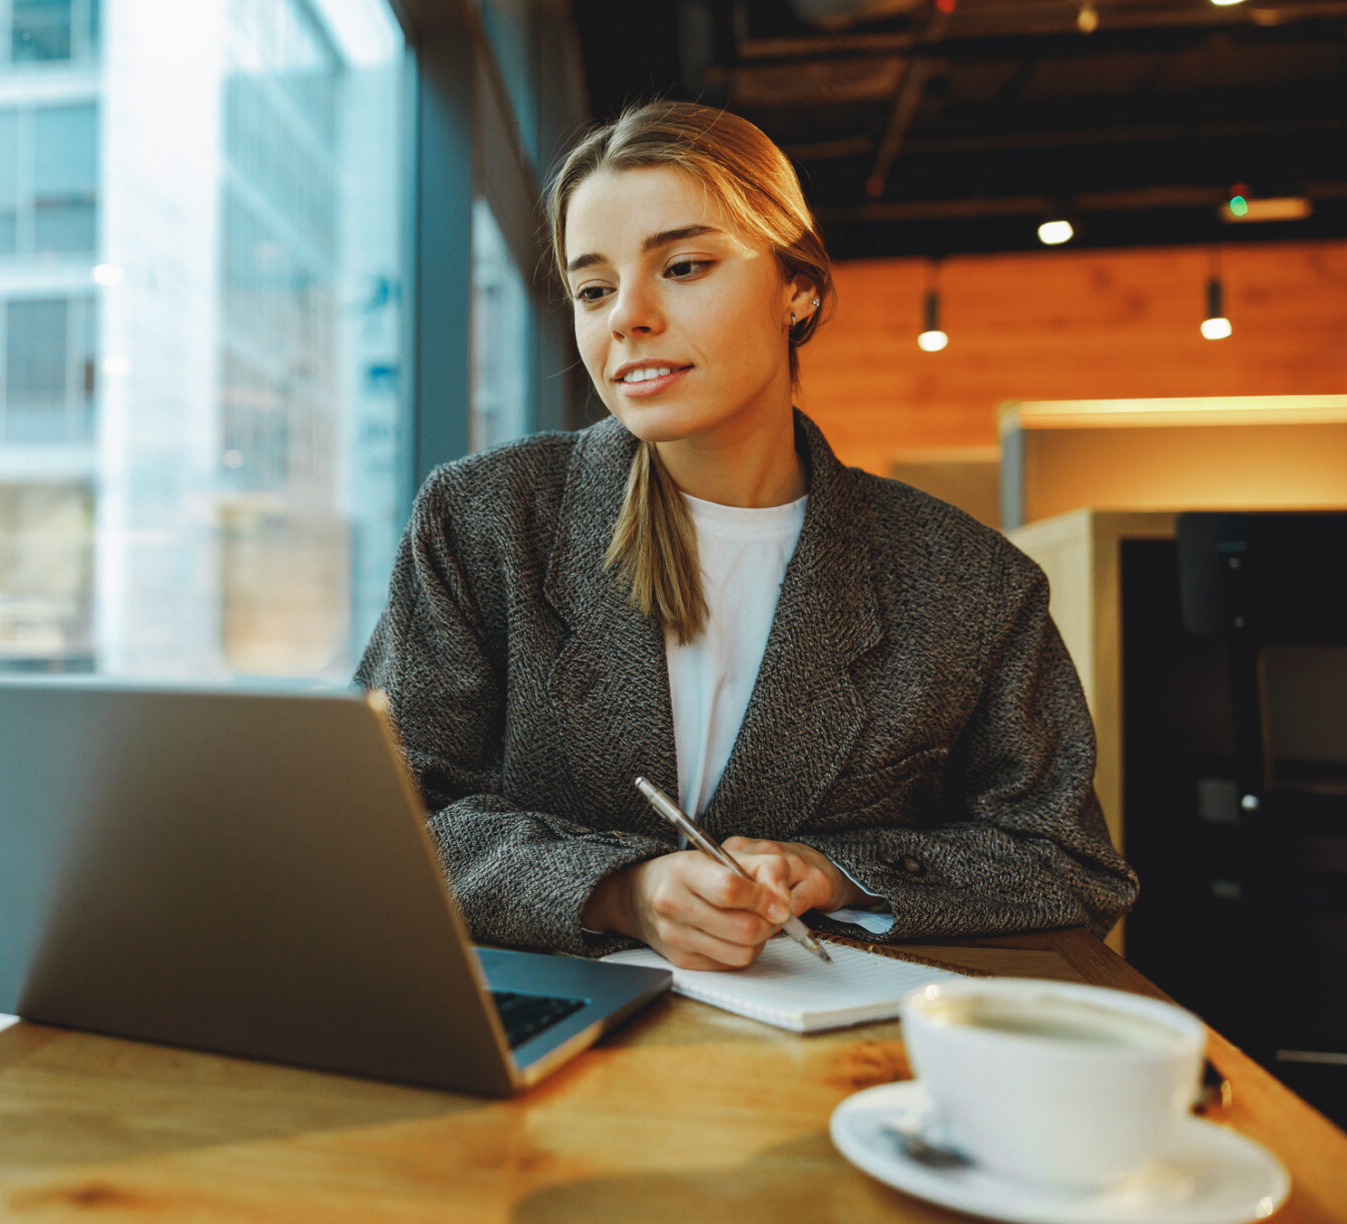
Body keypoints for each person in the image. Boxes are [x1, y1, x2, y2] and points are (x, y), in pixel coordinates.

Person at [356, 100, 1137, 972]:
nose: (627, 318)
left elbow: (1066, 862)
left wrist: (835, 873)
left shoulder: (970, 582)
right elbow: (383, 819)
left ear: (797, 287)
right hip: (547, 1042)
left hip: (828, 1060)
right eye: (594, 288)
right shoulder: (485, 519)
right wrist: (623, 890)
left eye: (683, 266)